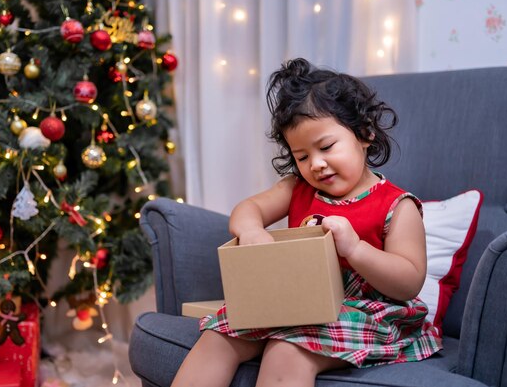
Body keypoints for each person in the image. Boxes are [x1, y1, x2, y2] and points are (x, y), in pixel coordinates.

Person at [170, 58, 443, 387]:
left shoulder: (397, 206)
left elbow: (409, 281)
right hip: (296, 300)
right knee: (217, 337)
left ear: (365, 134)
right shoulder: (297, 189)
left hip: (365, 311)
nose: (316, 164)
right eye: (301, 156)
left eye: (326, 147)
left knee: (286, 350)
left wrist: (355, 248)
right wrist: (252, 230)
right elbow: (246, 209)